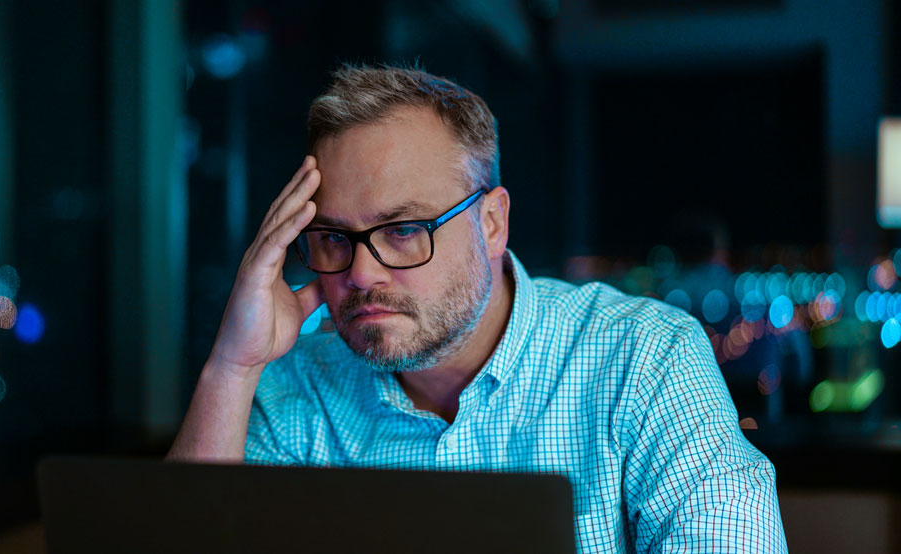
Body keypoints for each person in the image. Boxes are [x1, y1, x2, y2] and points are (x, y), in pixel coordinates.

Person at [168, 64, 788, 553]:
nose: (359, 273)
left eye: (403, 230)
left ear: (492, 223)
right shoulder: (297, 385)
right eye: (334, 238)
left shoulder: (644, 360)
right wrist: (233, 365)